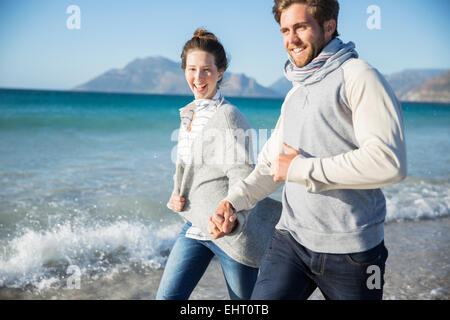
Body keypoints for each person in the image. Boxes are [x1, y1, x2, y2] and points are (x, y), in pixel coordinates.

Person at [209, 0, 407, 300]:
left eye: (300, 27)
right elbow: (273, 166)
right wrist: (233, 202)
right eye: (285, 30)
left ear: (329, 26)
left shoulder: (359, 75)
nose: (291, 39)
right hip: (291, 241)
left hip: (354, 254)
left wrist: (301, 169)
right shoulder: (296, 91)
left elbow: (388, 162)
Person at [156, 29, 281, 300]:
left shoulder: (228, 117)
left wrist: (234, 218)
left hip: (230, 234)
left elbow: (242, 174)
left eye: (206, 70)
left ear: (220, 71)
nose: (198, 78)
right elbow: (189, 167)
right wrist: (177, 193)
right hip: (193, 228)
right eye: (191, 69)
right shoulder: (188, 114)